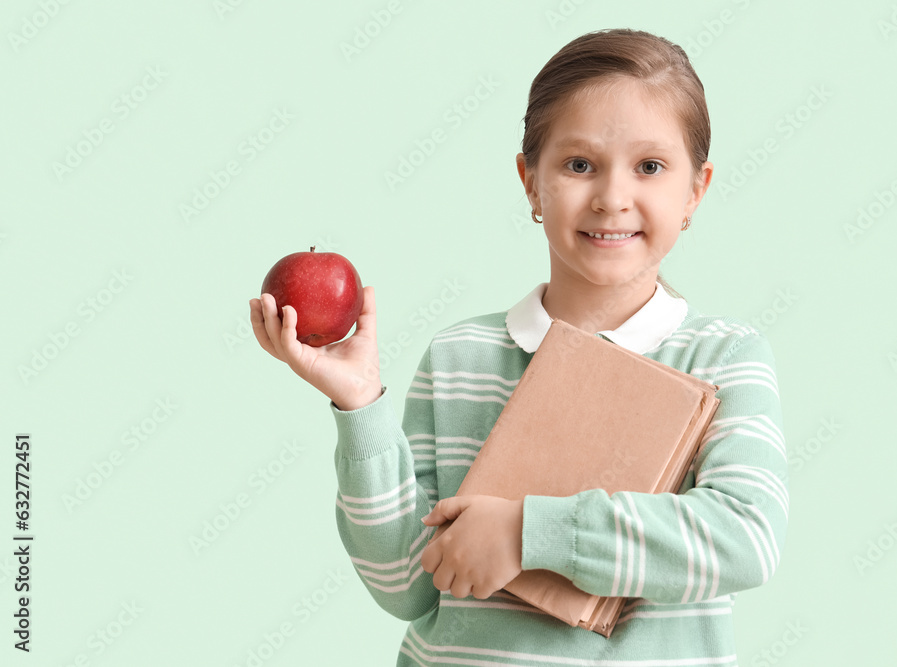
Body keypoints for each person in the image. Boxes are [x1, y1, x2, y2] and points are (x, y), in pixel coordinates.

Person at [249, 27, 788, 666]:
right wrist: (361, 407)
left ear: (695, 190)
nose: (613, 198)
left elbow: (746, 538)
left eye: (650, 166)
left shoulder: (723, 357)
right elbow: (404, 587)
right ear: (531, 182)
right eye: (579, 164)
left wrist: (529, 533)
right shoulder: (458, 358)